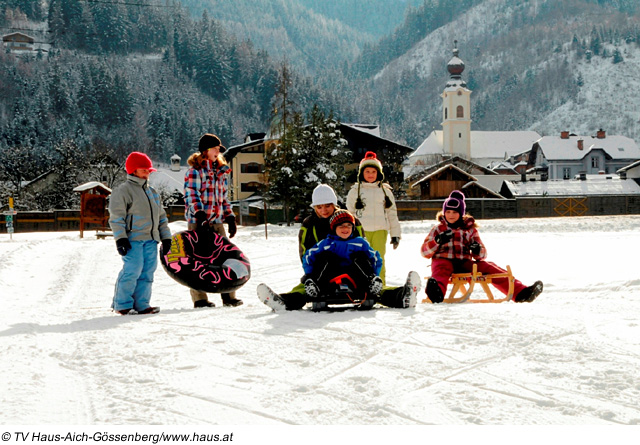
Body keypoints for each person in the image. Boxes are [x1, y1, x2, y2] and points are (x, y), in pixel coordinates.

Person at [258, 184, 417, 311]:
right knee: (304, 288)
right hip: (324, 270)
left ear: (334, 204)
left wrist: (371, 272)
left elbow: (364, 248)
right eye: (319, 207)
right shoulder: (309, 224)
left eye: (327, 206)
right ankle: (284, 302)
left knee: (372, 286)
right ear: (314, 208)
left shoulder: (349, 220)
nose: (324, 210)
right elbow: (305, 250)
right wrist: (311, 274)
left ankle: (401, 297)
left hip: (352, 269)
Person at [421, 190, 543, 303]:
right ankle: (436, 293)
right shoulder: (438, 229)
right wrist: (437, 241)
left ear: (461, 213)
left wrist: (477, 250)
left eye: (454, 212)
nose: (451, 215)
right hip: (443, 260)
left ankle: (521, 292)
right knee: (440, 270)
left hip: (464, 263)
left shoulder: (470, 230)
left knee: (489, 266)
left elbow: (482, 255)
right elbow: (424, 252)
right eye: (448, 212)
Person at [109, 152, 172, 315]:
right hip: (133, 240)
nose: (147, 173)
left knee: (147, 271)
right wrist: (121, 238)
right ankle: (122, 304)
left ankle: (142, 304)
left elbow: (161, 217)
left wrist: (166, 237)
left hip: (151, 240)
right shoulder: (123, 191)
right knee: (133, 270)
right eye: (144, 170)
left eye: (148, 170)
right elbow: (116, 217)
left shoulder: (153, 193)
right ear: (133, 170)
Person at [184, 133, 242, 308]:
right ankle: (200, 298)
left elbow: (224, 199)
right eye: (215, 149)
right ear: (206, 150)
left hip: (216, 221)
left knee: (224, 256)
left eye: (219, 149)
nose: (218, 152)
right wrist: (200, 215)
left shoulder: (221, 173)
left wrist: (230, 217)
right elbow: (191, 196)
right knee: (198, 259)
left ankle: (228, 294)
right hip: (198, 222)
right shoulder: (195, 172)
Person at [302, 210, 383, 302]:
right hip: (331, 277)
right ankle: (315, 285)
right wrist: (308, 274)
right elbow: (308, 255)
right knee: (325, 256)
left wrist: (376, 274)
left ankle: (371, 284)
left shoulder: (360, 242)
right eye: (341, 226)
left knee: (360, 256)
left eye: (349, 226)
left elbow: (375, 257)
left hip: (355, 277)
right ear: (334, 228)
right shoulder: (326, 243)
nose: (345, 229)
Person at [346, 151, 401, 285]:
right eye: (367, 171)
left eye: (373, 172)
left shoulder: (385, 191)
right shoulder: (355, 191)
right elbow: (349, 214)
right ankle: (360, 285)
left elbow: (392, 214)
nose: (370, 175)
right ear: (361, 174)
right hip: (360, 232)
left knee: (378, 259)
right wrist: (349, 233)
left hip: (380, 231)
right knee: (360, 259)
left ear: (379, 173)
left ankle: (380, 285)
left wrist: (395, 235)